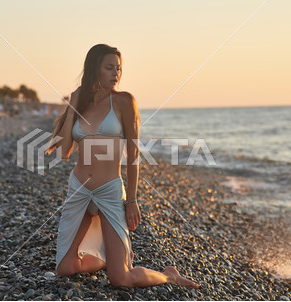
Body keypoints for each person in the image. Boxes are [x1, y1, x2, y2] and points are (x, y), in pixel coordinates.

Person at [45, 44, 199, 289]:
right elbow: (63, 152)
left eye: (118, 69)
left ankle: (169, 275)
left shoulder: (124, 101)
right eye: (109, 68)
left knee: (121, 279)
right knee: (65, 269)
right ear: (94, 69)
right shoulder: (80, 102)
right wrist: (73, 105)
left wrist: (132, 200)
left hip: (109, 191)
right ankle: (107, 258)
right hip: (79, 189)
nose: (116, 73)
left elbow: (134, 154)